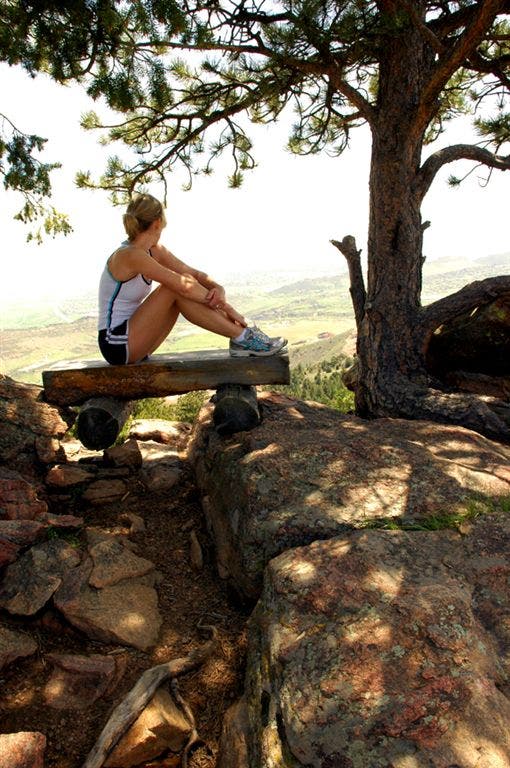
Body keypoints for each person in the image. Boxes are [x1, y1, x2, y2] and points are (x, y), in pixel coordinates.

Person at [97, 193, 287, 365]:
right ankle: (243, 336)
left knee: (179, 285)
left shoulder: (154, 251)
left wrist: (217, 288)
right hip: (115, 344)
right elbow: (183, 286)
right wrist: (228, 309)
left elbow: (193, 275)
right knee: (172, 288)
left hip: (136, 338)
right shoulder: (129, 255)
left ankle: (242, 338)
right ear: (157, 223)